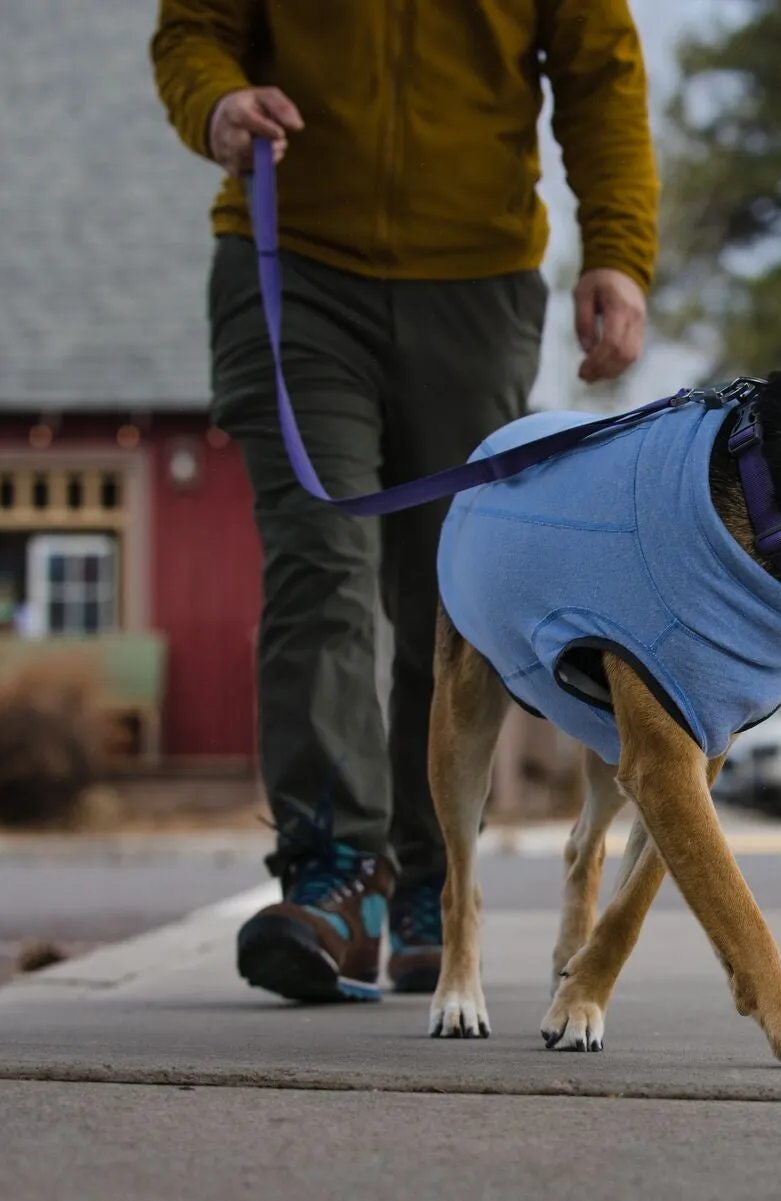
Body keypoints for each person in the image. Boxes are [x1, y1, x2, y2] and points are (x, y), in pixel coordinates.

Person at [150, 1, 658, 1003]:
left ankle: (433, 884)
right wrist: (216, 103)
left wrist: (617, 247)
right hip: (290, 265)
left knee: (450, 599)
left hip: (476, 283)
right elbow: (192, 27)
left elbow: (601, 72)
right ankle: (337, 879)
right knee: (319, 561)